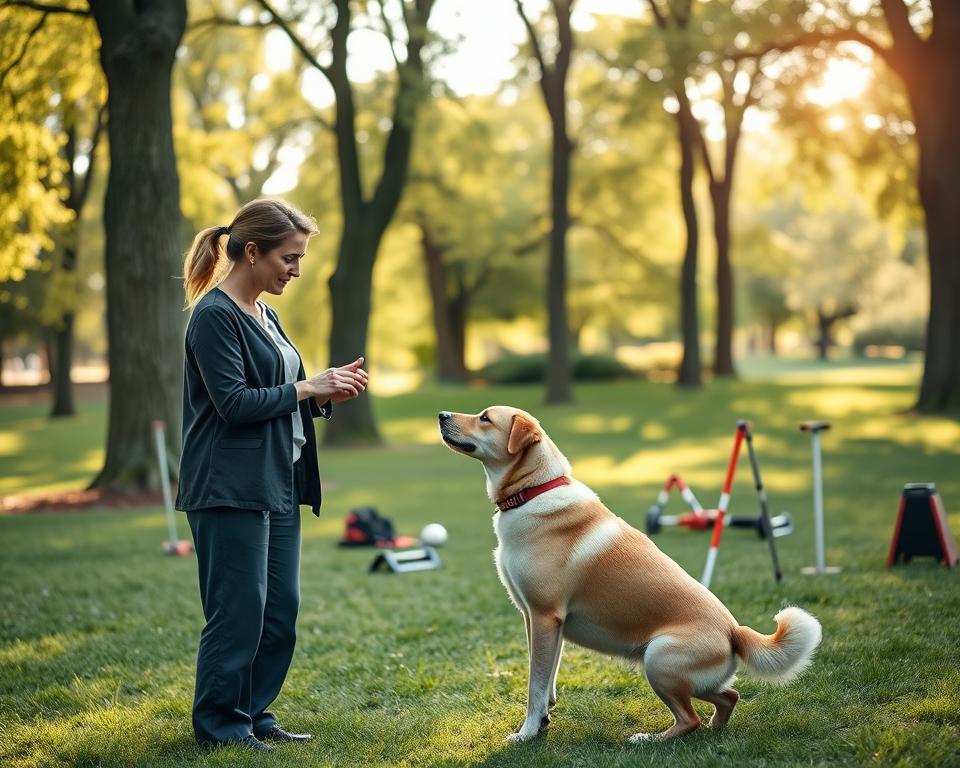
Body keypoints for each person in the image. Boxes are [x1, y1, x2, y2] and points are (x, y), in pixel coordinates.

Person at [176, 198, 368, 752]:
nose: (296, 270)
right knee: (237, 613)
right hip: (228, 486)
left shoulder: (265, 312)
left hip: (277, 480)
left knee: (279, 612)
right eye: (290, 257)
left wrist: (323, 393)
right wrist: (308, 386)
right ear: (253, 252)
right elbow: (234, 403)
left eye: (300, 257)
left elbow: (280, 392)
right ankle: (221, 726)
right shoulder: (214, 316)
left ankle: (254, 714)